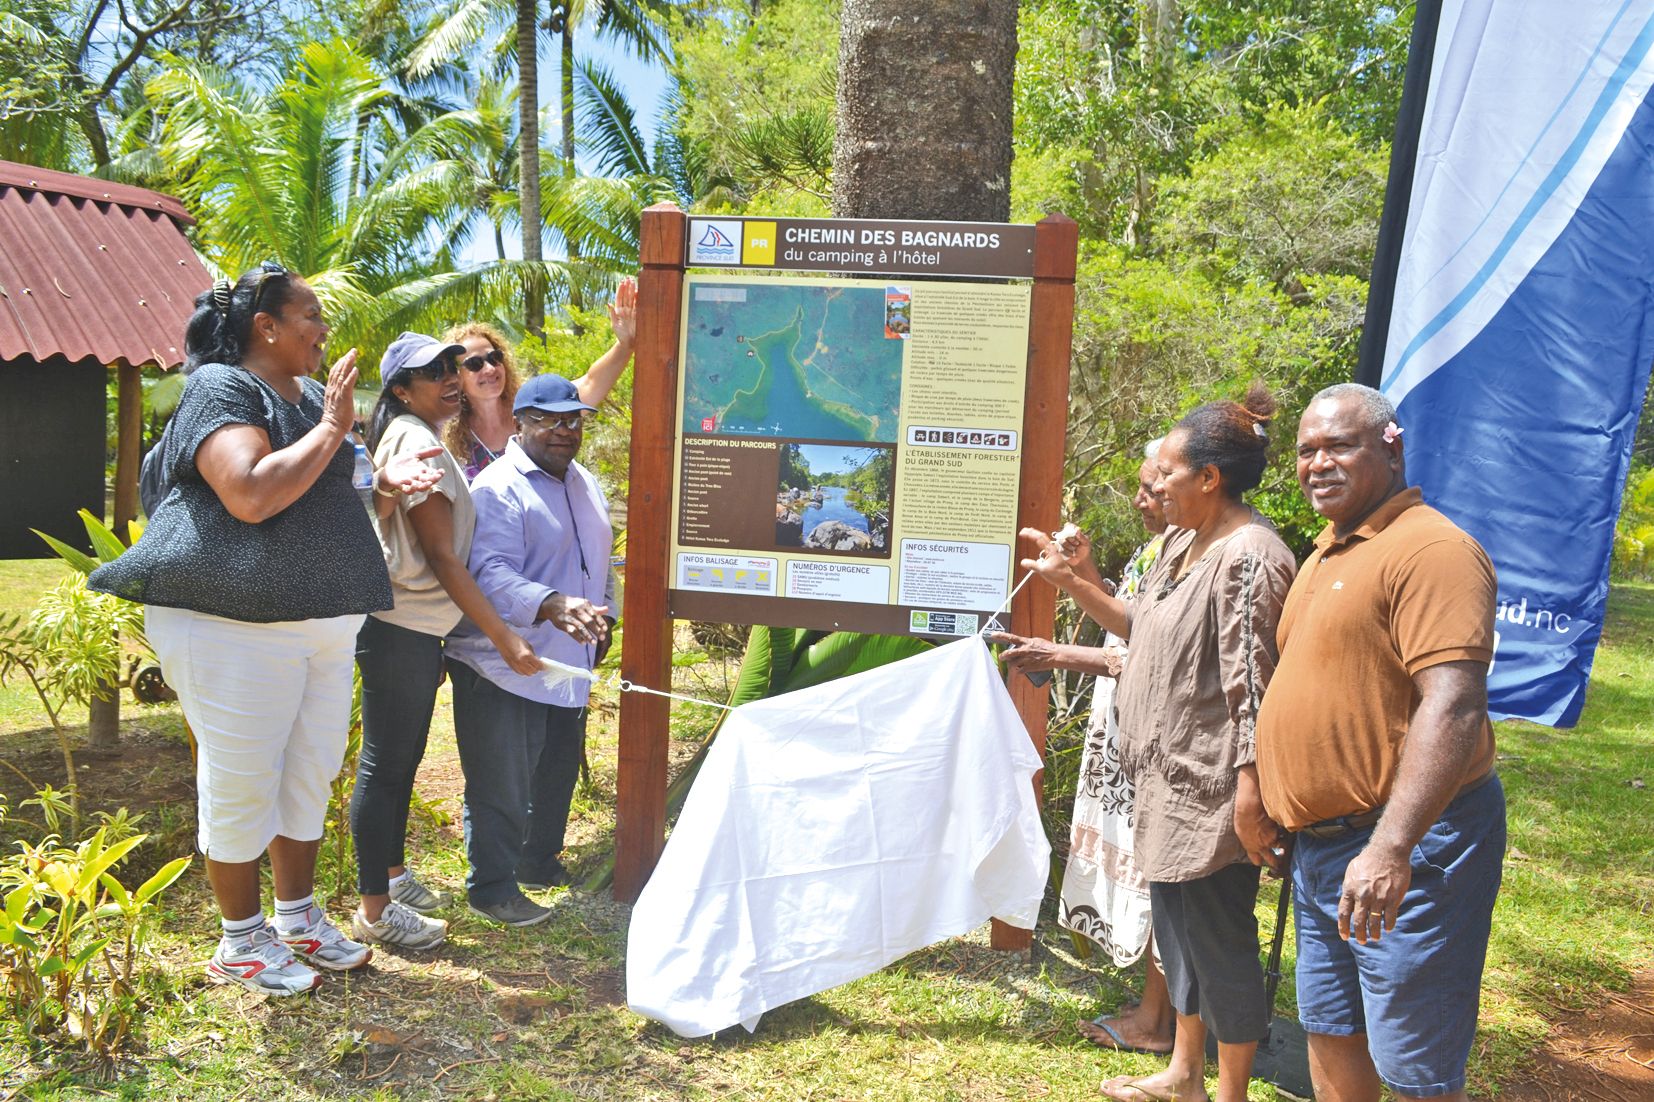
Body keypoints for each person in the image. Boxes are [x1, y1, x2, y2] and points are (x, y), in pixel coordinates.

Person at [88, 264, 442, 996]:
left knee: (308, 773)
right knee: (244, 778)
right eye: (311, 315)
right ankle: (240, 941)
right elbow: (249, 493)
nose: (323, 330)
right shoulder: (224, 388)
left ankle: (297, 918)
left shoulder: (309, 397)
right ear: (266, 326)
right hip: (232, 623)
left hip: (318, 621)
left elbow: (326, 492)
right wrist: (336, 428)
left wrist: (383, 484)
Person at [1020, 385, 1297, 1102]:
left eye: (1167, 472)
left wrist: (1251, 796)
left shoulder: (1249, 557)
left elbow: (1254, 692)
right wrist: (1071, 581)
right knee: (1180, 941)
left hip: (1214, 793)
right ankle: (1183, 1073)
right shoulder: (1181, 541)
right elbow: (1137, 625)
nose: (1156, 484)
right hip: (1166, 784)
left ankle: (1228, 1092)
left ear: (1210, 477)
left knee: (1220, 945)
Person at [1255, 383, 1504, 1102]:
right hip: (1323, 848)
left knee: (1414, 1064)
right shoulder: (1327, 553)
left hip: (1409, 844)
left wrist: (1392, 847)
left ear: (1392, 448)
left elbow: (1454, 704)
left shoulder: (1433, 550)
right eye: (1307, 450)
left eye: (1340, 445)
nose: (1319, 463)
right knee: (1332, 1029)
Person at [348, 333, 548, 951]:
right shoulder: (415, 439)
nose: (451, 377)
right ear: (401, 390)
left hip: (414, 628)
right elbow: (441, 555)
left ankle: (391, 878)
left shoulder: (417, 433)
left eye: (451, 366)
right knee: (386, 764)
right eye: (433, 371)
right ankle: (375, 910)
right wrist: (502, 636)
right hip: (399, 626)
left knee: (399, 761)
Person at [991, 442, 1175, 1055]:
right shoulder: (1160, 548)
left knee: (1161, 874)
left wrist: (1061, 651)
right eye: (1141, 487)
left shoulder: (1202, 556)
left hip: (1160, 736)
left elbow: (1149, 651)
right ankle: (1153, 1007)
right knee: (1142, 866)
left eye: (1152, 488)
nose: (1141, 499)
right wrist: (1086, 571)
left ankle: (1158, 1020)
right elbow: (1124, 619)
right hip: (1123, 730)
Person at [445, 373, 618, 927]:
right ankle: (492, 888)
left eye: (573, 420)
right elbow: (487, 571)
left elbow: (598, 561)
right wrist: (550, 603)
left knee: (553, 769)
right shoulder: (498, 487)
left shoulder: (584, 482)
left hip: (567, 661)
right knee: (502, 778)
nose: (564, 430)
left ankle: (536, 863)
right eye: (548, 420)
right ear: (520, 423)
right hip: (503, 662)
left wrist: (606, 615)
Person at [444, 277, 637, 481]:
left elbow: (590, 383)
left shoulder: (534, 407)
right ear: (456, 376)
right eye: (475, 364)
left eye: (495, 357)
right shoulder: (448, 437)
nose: (490, 368)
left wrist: (625, 344)